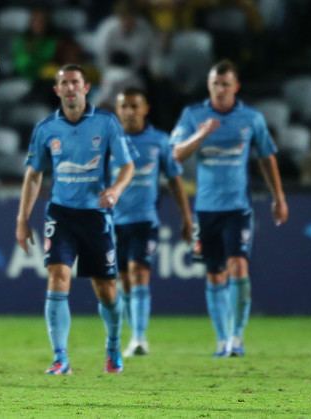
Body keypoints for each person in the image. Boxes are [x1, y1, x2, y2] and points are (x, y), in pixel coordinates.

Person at [15, 64, 135, 375]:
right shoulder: (46, 129)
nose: (70, 88)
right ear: (57, 90)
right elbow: (34, 175)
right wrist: (22, 218)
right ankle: (60, 358)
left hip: (96, 215)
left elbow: (127, 167)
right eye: (64, 83)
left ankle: (112, 345)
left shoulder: (106, 124)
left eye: (75, 83)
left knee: (106, 288)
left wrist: (116, 190)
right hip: (61, 213)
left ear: (85, 88)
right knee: (57, 276)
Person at [170, 59, 288, 357]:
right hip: (207, 208)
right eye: (214, 84)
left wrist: (279, 197)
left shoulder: (251, 118)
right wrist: (201, 134)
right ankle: (222, 339)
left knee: (238, 265)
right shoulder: (193, 115)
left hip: (238, 207)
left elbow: (267, 157)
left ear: (236, 86)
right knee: (214, 274)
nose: (219, 89)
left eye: (225, 84)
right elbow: (175, 156)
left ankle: (237, 336)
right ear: (208, 85)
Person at [113, 87, 193, 357]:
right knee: (123, 280)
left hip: (144, 220)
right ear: (118, 110)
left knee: (139, 273)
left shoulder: (159, 141)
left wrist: (186, 217)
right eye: (125, 106)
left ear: (145, 109)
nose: (130, 112)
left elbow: (174, 179)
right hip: (113, 222)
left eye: (135, 106)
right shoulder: (108, 141)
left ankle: (139, 338)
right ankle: (131, 334)